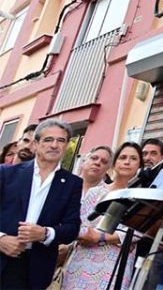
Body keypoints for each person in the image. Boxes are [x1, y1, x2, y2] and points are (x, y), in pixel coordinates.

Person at [0, 120, 83, 289]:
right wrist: (1, 239)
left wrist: (45, 233)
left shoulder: (72, 183)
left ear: (67, 145)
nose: (54, 145)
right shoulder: (6, 173)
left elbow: (72, 228)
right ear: (36, 144)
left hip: (33, 269)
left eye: (61, 141)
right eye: (48, 140)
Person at [62, 142, 144, 290]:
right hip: (83, 258)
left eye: (133, 158)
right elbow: (79, 223)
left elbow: (139, 231)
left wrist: (101, 237)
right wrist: (86, 235)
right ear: (114, 163)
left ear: (139, 165)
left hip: (116, 262)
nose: (127, 162)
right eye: (123, 157)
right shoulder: (96, 192)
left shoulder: (141, 197)